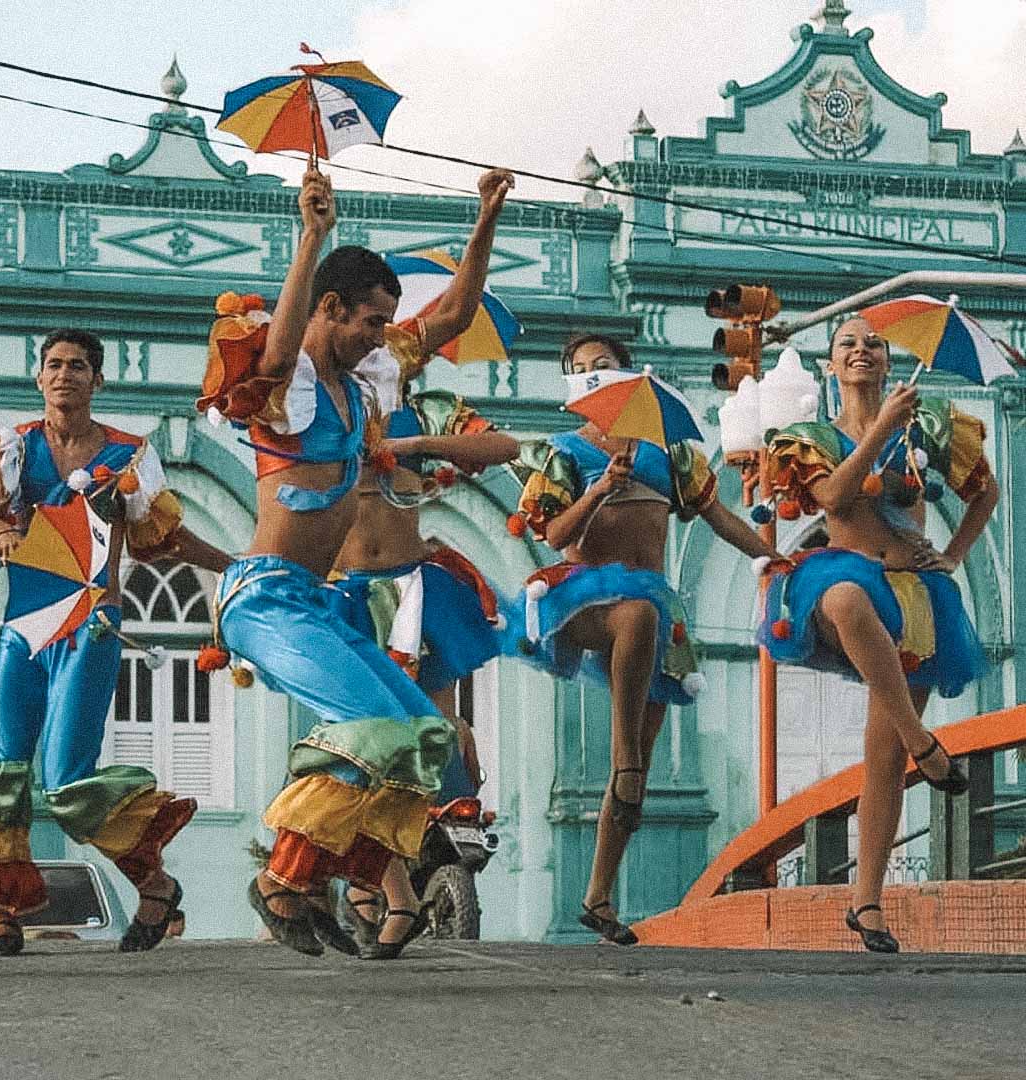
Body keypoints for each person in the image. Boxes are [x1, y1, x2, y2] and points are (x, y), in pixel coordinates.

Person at [196, 166, 513, 959]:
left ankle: (355, 881)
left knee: (420, 736)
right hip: (264, 600)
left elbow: (456, 314)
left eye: (385, 324)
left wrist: (484, 219)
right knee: (371, 726)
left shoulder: (361, 383)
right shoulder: (287, 388)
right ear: (330, 310)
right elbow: (275, 349)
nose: (383, 336)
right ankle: (282, 878)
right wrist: (312, 237)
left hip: (317, 602)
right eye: (370, 321)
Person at [0, 328, 231, 955]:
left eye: (78, 366)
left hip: (93, 627)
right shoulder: (12, 448)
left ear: (97, 380)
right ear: (39, 377)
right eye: (54, 364)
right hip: (24, 628)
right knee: (2, 771)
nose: (64, 374)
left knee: (67, 780)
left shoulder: (129, 455)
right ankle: (6, 916)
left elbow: (162, 538)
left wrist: (232, 565)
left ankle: (155, 887)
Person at [501, 334, 779, 944]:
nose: (593, 374)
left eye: (604, 365)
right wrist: (600, 489)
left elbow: (721, 518)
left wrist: (773, 560)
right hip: (581, 599)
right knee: (634, 617)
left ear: (626, 375)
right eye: (580, 369)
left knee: (646, 631)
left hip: (651, 608)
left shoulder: (669, 454)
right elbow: (553, 534)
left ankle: (599, 898)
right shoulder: (565, 452)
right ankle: (622, 749)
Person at [759, 317, 997, 953]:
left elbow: (986, 491)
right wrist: (883, 427)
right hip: (847, 572)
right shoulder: (811, 436)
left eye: (874, 344)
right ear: (831, 367)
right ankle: (926, 743)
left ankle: (867, 904)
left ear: (890, 363)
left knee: (882, 757)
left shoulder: (930, 426)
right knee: (843, 599)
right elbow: (835, 499)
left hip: (917, 590)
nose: (861, 351)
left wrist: (954, 553)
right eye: (848, 345)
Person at [331, 370, 518, 951]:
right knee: (354, 735)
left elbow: (503, 446)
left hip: (412, 589)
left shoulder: (422, 410)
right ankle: (369, 866)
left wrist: (408, 447)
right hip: (344, 593)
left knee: (435, 722)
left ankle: (449, 821)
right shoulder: (320, 409)